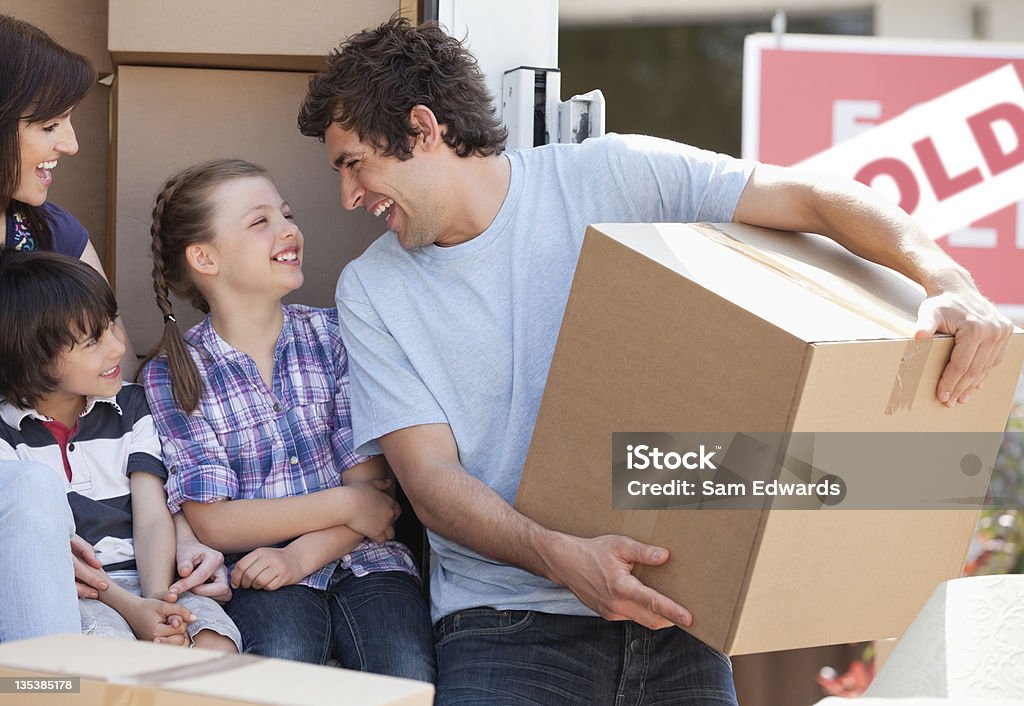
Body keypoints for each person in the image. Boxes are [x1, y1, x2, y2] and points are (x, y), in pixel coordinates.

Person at [297, 18, 1014, 705]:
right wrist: (563, 558)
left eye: (354, 164)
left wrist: (944, 280)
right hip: (508, 628)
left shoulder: (614, 179)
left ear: (424, 129)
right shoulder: (375, 288)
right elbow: (430, 482)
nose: (348, 195)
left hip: (677, 614)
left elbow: (814, 198)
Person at [140, 159, 435, 680]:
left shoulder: (337, 335)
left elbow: (375, 497)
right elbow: (214, 521)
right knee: (282, 662)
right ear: (204, 257)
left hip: (367, 560)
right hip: (259, 573)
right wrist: (344, 505)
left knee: (406, 671)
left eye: (287, 213)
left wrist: (303, 553)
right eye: (260, 222)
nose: (288, 229)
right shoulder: (174, 373)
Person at [0, 11, 231, 619]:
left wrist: (172, 523)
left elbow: (110, 385)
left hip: (71, 527)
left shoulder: (50, 232)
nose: (71, 144)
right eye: (49, 124)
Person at [0, 250, 240, 651]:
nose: (117, 348)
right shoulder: (8, 438)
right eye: (93, 341)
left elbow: (150, 517)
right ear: (33, 361)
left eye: (112, 325)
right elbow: (49, 557)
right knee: (108, 662)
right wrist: (133, 609)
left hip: (152, 575)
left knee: (216, 645)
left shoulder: (131, 407)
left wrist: (159, 603)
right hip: (80, 594)